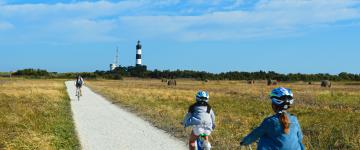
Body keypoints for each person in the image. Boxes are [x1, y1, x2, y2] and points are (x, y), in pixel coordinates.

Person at [240, 87, 305, 150]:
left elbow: (255, 135)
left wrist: (244, 142)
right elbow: (300, 137)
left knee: (263, 138)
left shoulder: (269, 121)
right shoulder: (294, 119)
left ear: (274, 105)